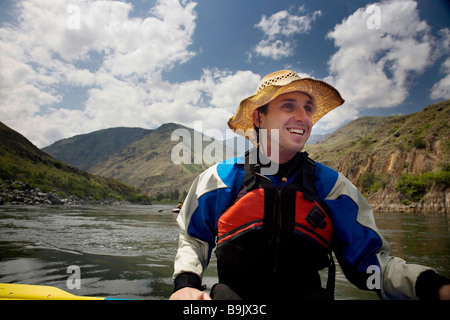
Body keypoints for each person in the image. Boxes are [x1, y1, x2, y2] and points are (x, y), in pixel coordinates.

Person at [170, 70, 450, 300]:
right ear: (259, 117)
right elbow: (194, 240)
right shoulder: (220, 179)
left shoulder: (332, 187)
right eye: (288, 106)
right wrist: (185, 285)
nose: (303, 118)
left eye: (308, 109)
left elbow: (373, 265)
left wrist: (432, 286)